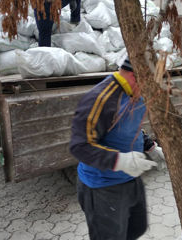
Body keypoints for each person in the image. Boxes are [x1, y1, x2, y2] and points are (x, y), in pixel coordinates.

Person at [69, 56, 164, 240]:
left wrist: (150, 146)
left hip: (130, 179)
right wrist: (120, 161)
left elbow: (127, 127)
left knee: (137, 228)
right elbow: (79, 146)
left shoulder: (136, 94)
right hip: (103, 186)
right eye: (152, 82)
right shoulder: (101, 98)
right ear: (136, 76)